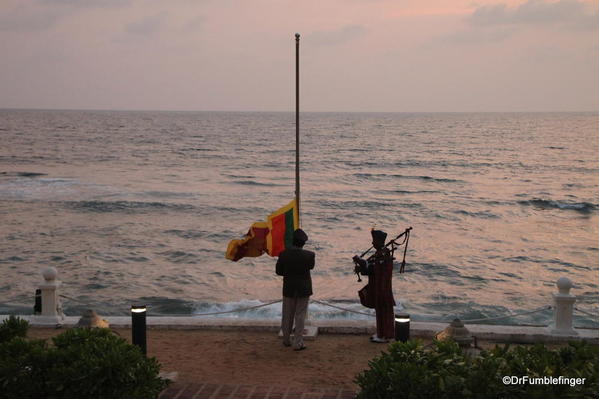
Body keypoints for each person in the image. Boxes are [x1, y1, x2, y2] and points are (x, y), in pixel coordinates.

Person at [275, 228, 315, 351]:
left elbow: (279, 271)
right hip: (304, 288)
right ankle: (298, 343)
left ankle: (286, 340)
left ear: (292, 241)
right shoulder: (310, 255)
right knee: (300, 315)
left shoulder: (283, 254)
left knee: (287, 315)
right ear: (303, 243)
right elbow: (311, 267)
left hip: (288, 287)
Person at [354, 229, 396, 343]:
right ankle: (381, 333)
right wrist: (362, 267)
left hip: (383, 288)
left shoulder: (384, 255)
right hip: (379, 287)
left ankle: (385, 336)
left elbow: (375, 269)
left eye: (374, 241)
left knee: (383, 311)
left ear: (379, 241)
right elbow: (372, 269)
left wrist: (362, 263)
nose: (372, 243)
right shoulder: (380, 254)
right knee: (380, 311)